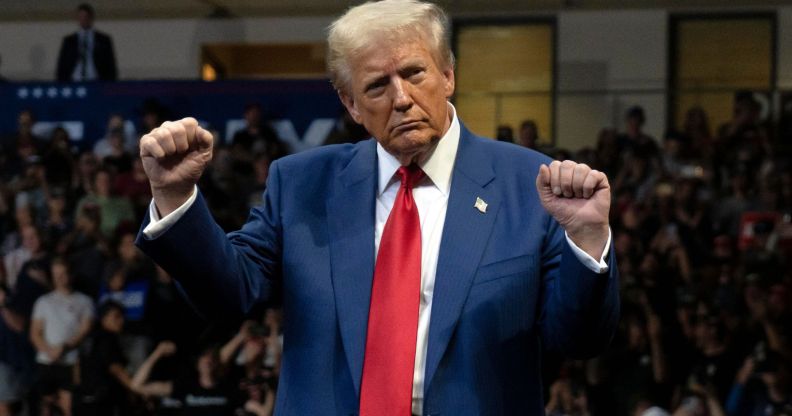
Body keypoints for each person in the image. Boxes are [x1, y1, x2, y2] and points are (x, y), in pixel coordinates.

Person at [135, 1, 619, 414]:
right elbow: (230, 293)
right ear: (350, 104)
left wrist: (588, 241)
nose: (402, 98)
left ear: (448, 75)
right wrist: (176, 198)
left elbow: (578, 340)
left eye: (414, 73)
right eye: (377, 86)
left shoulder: (528, 185)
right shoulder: (301, 184)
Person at [29, 258, 93, 416]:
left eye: (63, 274)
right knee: (46, 406)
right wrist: (49, 351)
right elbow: (35, 333)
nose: (59, 278)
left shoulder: (84, 301)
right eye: (56, 274)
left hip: (70, 361)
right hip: (46, 361)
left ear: (71, 274)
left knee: (69, 407)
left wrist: (64, 348)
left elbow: (85, 329)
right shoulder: (43, 302)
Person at [55, 3, 118, 82]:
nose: (83, 20)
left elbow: (110, 65)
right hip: (74, 81)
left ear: (91, 18)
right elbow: (62, 66)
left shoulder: (103, 40)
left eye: (85, 16)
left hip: (96, 82)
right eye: (80, 17)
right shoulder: (69, 41)